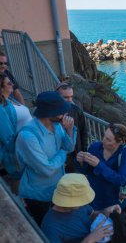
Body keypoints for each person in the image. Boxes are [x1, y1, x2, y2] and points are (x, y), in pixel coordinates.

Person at [16, 91, 76, 226]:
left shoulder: (57, 125)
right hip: (39, 195)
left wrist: (70, 130)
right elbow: (46, 169)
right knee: (44, 227)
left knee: (57, 225)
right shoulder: (28, 136)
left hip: (57, 189)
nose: (65, 114)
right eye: (61, 111)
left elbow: (70, 147)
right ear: (50, 112)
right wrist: (63, 153)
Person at [41, 173, 121, 243]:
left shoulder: (77, 205)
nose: (85, 202)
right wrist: (89, 240)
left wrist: (104, 212)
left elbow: (91, 214)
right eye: (82, 199)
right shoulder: (50, 227)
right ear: (70, 201)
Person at [76, 123, 126, 211]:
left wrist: (99, 165)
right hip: (94, 200)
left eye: (108, 140)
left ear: (120, 142)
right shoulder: (95, 147)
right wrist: (80, 162)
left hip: (115, 203)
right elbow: (85, 171)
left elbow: (121, 180)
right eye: (104, 136)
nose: (103, 140)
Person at [0, 74, 32, 193]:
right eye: (9, 83)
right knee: (18, 178)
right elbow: (7, 136)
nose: (12, 84)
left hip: (23, 147)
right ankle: (20, 206)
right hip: (15, 152)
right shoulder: (1, 107)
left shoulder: (10, 100)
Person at [56, 82, 88, 173]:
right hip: (57, 156)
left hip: (74, 155)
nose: (70, 100)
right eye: (66, 97)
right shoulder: (51, 115)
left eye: (71, 96)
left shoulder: (77, 111)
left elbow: (83, 132)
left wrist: (83, 153)